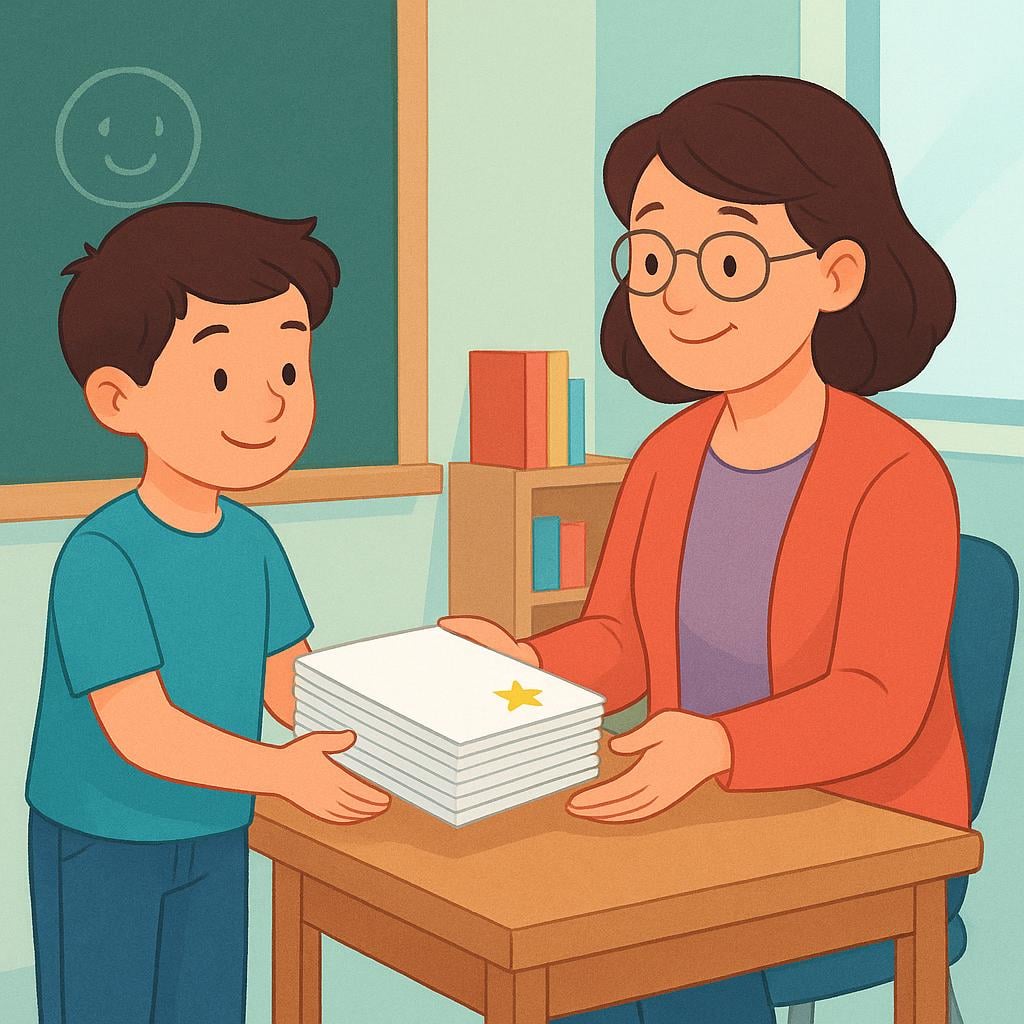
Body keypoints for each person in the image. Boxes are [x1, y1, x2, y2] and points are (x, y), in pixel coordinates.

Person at [440, 75, 968, 1024]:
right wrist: (525, 665)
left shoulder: (896, 474)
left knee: (639, 959)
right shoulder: (669, 455)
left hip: (862, 831)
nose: (677, 296)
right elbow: (621, 642)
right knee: (556, 946)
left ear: (836, 275)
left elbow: (878, 706)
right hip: (701, 810)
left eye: (726, 261)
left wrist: (722, 744)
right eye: (651, 257)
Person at [25, 203, 390, 1024]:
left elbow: (291, 685)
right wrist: (287, 773)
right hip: (103, 840)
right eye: (223, 376)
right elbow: (142, 730)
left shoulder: (254, 541)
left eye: (289, 373)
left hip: (221, 825)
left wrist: (403, 730)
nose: (268, 405)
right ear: (118, 400)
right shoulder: (102, 555)